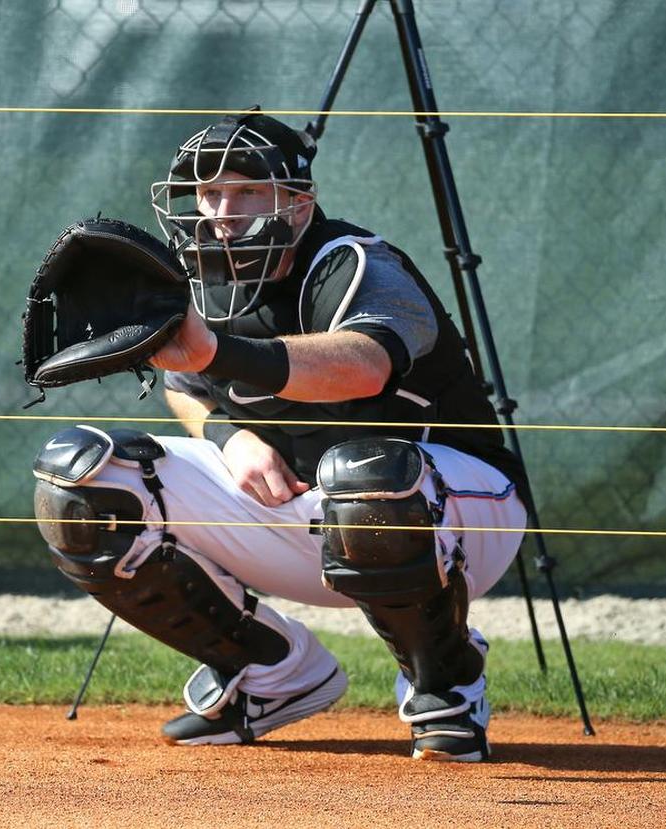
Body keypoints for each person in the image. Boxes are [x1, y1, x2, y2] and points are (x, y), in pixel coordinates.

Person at [31, 108, 528, 762]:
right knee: (84, 478)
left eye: (245, 190)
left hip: (459, 513)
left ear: (296, 204)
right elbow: (185, 387)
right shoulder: (205, 279)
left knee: (364, 473)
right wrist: (227, 435)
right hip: (306, 510)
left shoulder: (352, 264)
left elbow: (361, 365)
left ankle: (446, 684)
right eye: (209, 192)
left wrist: (214, 354)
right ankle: (270, 672)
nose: (220, 210)